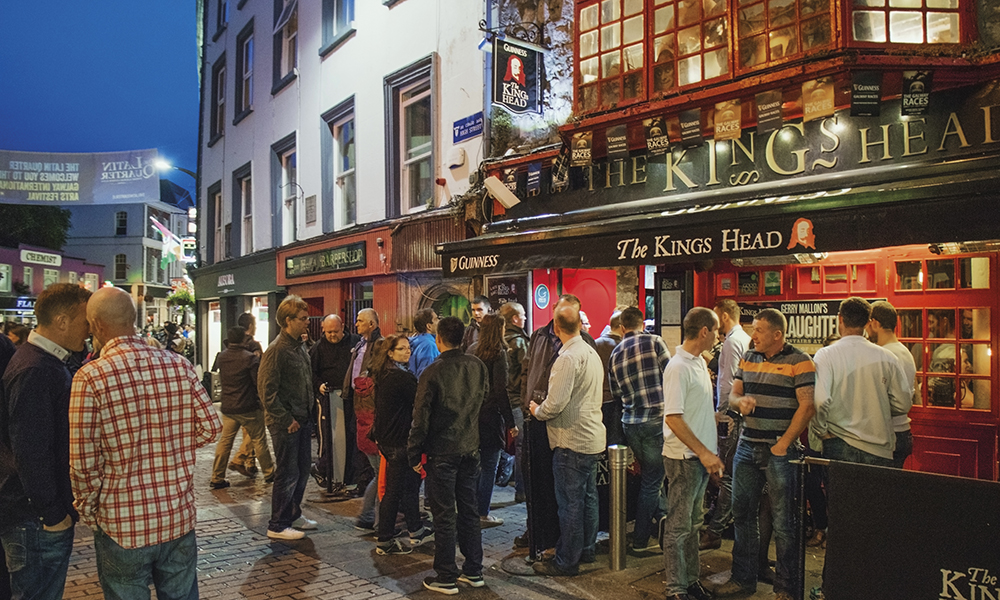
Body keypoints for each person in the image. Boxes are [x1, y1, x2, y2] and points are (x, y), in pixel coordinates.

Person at [69, 286, 221, 599]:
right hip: (176, 515)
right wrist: (172, 444)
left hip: (121, 520)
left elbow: (83, 461)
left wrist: (91, 511)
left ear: (96, 325)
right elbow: (210, 427)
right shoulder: (178, 365)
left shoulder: (90, 377)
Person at [715, 308, 816, 600]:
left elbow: (807, 406)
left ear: (777, 334)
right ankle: (743, 578)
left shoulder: (801, 361)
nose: (753, 334)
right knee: (743, 515)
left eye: (758, 330)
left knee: (785, 522)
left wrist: (783, 443)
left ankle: (786, 588)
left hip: (779, 451)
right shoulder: (748, 357)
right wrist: (739, 402)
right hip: (747, 445)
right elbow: (733, 395)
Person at [1, 284, 91, 600]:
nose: (89, 329)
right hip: (34, 521)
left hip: (32, 517)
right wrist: (52, 513)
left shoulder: (41, 362)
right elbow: (30, 448)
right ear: (62, 321)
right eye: (85, 320)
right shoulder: (36, 369)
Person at [408, 316, 488, 594]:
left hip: (443, 450)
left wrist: (414, 452)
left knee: (443, 515)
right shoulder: (477, 366)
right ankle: (474, 569)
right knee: (469, 510)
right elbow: (483, 399)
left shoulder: (433, 371)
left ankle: (445, 575)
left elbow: (421, 417)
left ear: (439, 338)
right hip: (469, 446)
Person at [529, 304, 606, 576]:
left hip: (571, 440)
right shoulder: (590, 352)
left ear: (557, 327)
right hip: (592, 437)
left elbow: (555, 404)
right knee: (587, 499)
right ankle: (586, 549)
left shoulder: (567, 358)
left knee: (570, 504)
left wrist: (536, 410)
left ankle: (566, 562)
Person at [660, 307, 724, 600]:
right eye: (717, 330)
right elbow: (673, 417)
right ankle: (676, 588)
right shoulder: (678, 367)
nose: (719, 335)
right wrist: (704, 453)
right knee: (679, 526)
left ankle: (691, 581)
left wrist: (715, 418)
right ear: (704, 332)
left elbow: (691, 409)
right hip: (684, 458)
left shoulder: (698, 362)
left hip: (697, 457)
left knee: (693, 523)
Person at [812, 297, 912, 467]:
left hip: (838, 441)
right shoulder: (888, 357)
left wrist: (821, 431)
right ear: (867, 323)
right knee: (877, 494)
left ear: (840, 319)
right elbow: (903, 404)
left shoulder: (825, 355)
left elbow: (820, 401)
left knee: (839, 494)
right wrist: (879, 408)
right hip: (879, 447)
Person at [608, 306, 671, 555]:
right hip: (656, 419)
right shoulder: (655, 342)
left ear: (622, 328)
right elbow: (672, 373)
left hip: (630, 423)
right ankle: (641, 540)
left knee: (651, 477)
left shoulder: (615, 352)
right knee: (652, 480)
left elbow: (615, 393)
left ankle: (664, 518)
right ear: (642, 323)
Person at [258, 295, 319, 540]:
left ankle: (293, 513)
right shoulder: (277, 351)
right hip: (287, 424)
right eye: (303, 319)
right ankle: (278, 524)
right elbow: (266, 390)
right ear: (288, 320)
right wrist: (286, 419)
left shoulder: (298, 346)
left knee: (303, 469)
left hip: (302, 420)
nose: (308, 323)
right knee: (287, 472)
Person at [370, 335, 434, 555]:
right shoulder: (400, 378)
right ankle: (384, 539)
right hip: (400, 440)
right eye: (402, 349)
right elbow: (419, 403)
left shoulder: (385, 374)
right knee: (395, 491)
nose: (407, 352)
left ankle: (415, 530)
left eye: (408, 348)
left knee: (408, 486)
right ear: (390, 352)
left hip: (389, 439)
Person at [701, 298, 752, 550]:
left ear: (723, 316)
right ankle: (715, 518)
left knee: (726, 475)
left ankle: (715, 530)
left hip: (729, 414)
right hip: (733, 413)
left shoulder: (732, 342)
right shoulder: (740, 339)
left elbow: (731, 382)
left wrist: (724, 412)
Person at [210, 326, 275, 489]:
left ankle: (217, 477)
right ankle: (269, 473)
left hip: (228, 407)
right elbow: (257, 382)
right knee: (259, 440)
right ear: (242, 340)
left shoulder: (222, 357)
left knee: (225, 442)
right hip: (248, 406)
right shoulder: (249, 358)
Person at [468, 313, 515, 528]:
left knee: (474, 466)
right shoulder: (499, 353)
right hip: (490, 415)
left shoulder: (471, 350)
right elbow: (500, 390)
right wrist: (511, 421)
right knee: (489, 466)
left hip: (471, 415)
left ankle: (470, 510)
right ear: (499, 330)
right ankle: (482, 513)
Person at [310, 314, 360, 491]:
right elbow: (312, 372)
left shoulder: (355, 342)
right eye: (328, 332)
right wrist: (319, 386)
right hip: (328, 398)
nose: (332, 335)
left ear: (343, 327)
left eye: (335, 331)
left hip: (351, 397)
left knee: (351, 435)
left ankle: (348, 474)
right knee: (328, 437)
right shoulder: (318, 348)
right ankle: (324, 470)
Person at [343, 308, 384, 530]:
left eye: (360, 321)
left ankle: (372, 517)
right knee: (380, 474)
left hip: (369, 411)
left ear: (371, 324)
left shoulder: (378, 345)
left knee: (380, 474)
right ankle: (373, 518)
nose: (356, 324)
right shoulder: (360, 344)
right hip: (361, 410)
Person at [865, 301, 918, 469]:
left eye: (867, 324)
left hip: (888, 433)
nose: (866, 330)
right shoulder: (904, 352)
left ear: (875, 323)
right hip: (901, 430)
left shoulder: (886, 355)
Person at [500, 302, 530, 503]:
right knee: (522, 446)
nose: (526, 319)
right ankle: (522, 491)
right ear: (514, 319)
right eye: (523, 315)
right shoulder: (520, 343)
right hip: (516, 400)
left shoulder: (497, 340)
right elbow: (525, 374)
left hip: (499, 400)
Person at [229, 312, 264, 476]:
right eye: (254, 324)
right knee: (255, 431)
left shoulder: (232, 344)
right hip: (251, 395)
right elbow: (258, 372)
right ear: (250, 326)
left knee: (247, 431)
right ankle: (239, 459)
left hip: (235, 394)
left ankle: (250, 463)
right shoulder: (254, 346)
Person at [594, 311, 625, 446]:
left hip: (597, 400)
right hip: (615, 401)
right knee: (615, 443)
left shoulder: (595, 343)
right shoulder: (622, 346)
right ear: (621, 326)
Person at [409, 308, 440, 378]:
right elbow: (426, 374)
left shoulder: (415, 341)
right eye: (436, 319)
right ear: (429, 326)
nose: (439, 321)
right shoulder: (429, 346)